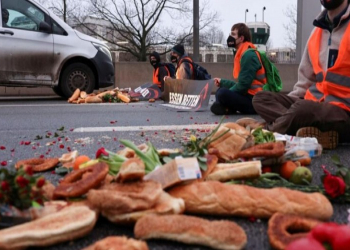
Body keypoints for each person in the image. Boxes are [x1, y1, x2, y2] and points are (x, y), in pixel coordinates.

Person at [239, 0, 350, 149]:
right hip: (313, 104)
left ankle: (266, 133)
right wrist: (291, 104)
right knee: (261, 98)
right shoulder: (317, 32)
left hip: (343, 112)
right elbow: (305, 80)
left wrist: (298, 110)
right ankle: (306, 130)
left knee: (302, 110)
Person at [210, 23, 267, 115]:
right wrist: (222, 82)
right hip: (249, 95)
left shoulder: (248, 55)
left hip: (255, 101)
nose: (229, 37)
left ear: (241, 38)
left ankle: (226, 107)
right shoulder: (243, 53)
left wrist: (227, 93)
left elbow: (243, 86)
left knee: (222, 93)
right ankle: (227, 107)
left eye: (233, 34)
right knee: (221, 90)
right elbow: (242, 84)